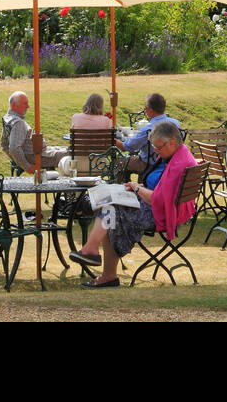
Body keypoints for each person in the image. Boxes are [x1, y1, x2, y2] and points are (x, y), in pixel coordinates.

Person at [69, 120, 198, 289]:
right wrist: (139, 189)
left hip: (163, 214)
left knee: (110, 209)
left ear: (172, 142)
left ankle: (101, 265)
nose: (157, 153)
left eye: (158, 148)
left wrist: (137, 188)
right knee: (109, 204)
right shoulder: (181, 155)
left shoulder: (178, 164)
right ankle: (95, 256)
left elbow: (156, 200)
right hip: (168, 209)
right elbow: (163, 194)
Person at [121, 93, 183, 186]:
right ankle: (138, 186)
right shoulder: (176, 123)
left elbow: (126, 147)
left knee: (120, 162)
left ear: (150, 110)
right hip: (172, 162)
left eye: (145, 108)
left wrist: (114, 140)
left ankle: (123, 192)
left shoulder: (148, 129)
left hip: (150, 164)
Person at [1, 91, 40, 172]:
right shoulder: (18, 122)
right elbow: (14, 149)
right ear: (14, 105)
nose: (28, 106)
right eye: (25, 103)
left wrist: (15, 159)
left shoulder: (8, 118)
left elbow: (4, 145)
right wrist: (27, 166)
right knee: (69, 155)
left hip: (34, 154)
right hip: (36, 157)